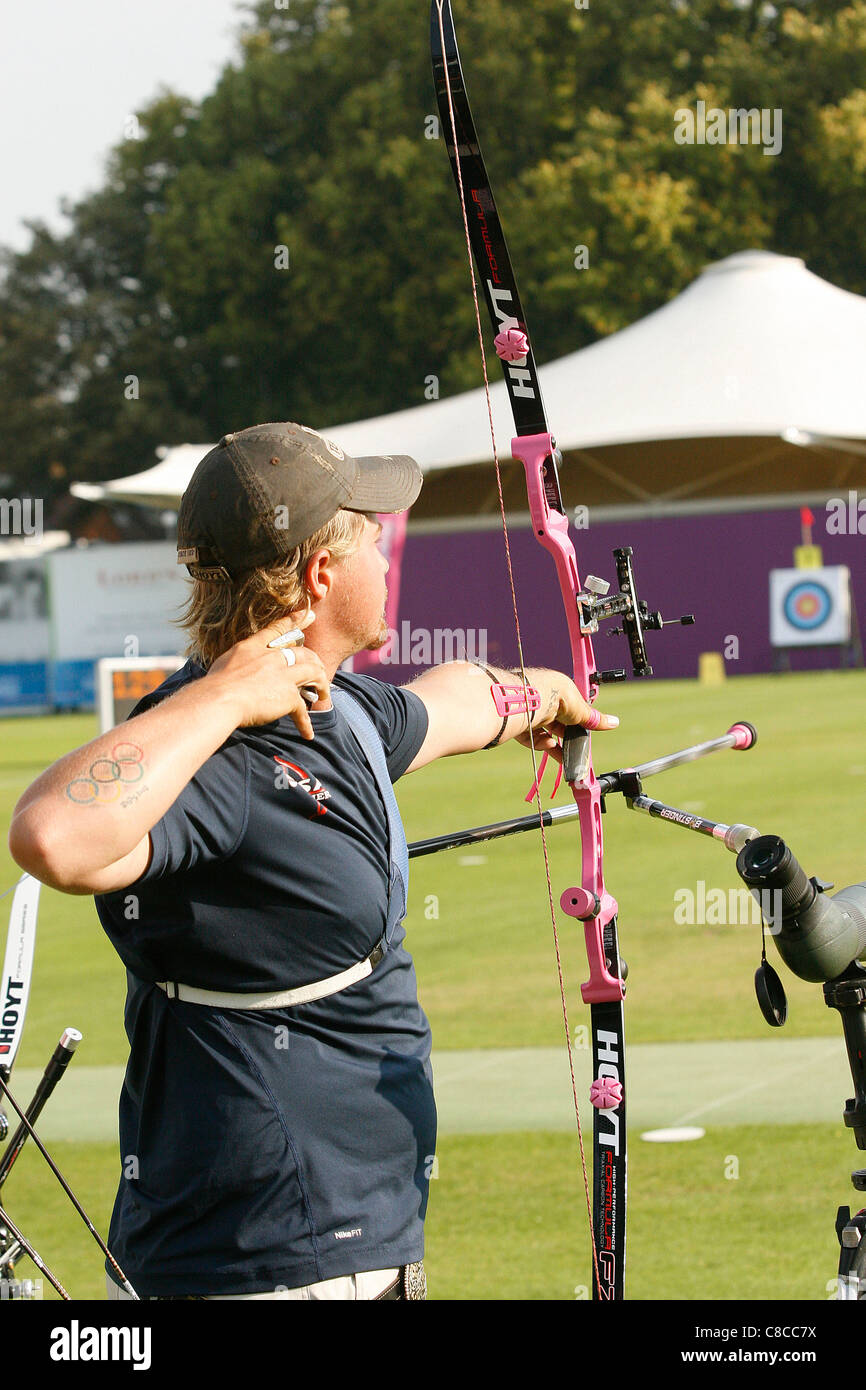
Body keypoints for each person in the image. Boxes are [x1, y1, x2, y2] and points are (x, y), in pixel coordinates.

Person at [8, 421, 618, 1301]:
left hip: (348, 1236)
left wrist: (539, 694)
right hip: (262, 1255)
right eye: (372, 533)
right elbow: (52, 835)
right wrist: (224, 693)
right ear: (320, 575)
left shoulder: (336, 705)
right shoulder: (219, 754)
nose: (385, 549)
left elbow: (442, 705)